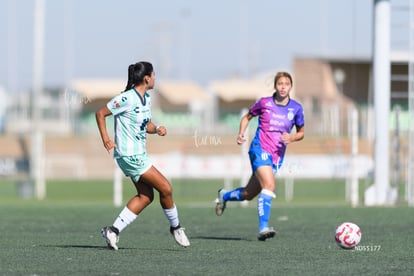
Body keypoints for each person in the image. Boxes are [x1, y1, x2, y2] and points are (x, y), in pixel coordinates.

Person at [95, 61, 190, 250]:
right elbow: (100, 113)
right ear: (146, 78)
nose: (155, 78)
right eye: (154, 75)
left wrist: (156, 129)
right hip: (130, 155)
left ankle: (112, 230)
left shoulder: (145, 99)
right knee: (166, 188)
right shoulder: (127, 98)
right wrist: (106, 138)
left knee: (146, 196)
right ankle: (176, 228)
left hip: (138, 155)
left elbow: (145, 124)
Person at [215, 71, 304, 241]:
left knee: (248, 194)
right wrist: (241, 133)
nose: (283, 87)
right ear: (275, 86)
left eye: (286, 84)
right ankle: (263, 227)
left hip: (276, 156)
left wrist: (292, 137)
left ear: (291, 86)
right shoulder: (264, 103)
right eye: (280, 84)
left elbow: (301, 133)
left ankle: (224, 195)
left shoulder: (296, 108)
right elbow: (246, 117)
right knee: (269, 185)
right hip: (259, 148)